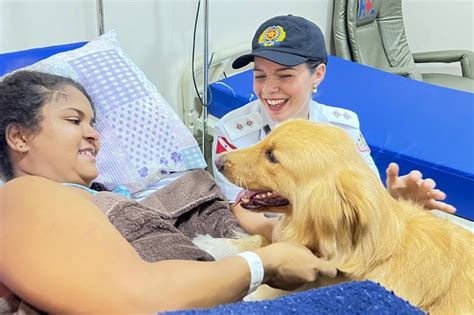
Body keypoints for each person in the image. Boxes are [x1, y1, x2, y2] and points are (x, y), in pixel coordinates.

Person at [0, 71, 337, 313]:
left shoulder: (100, 201)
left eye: (93, 124)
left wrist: (272, 230)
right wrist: (265, 263)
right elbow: (135, 299)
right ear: (19, 137)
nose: (93, 135)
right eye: (75, 121)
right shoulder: (23, 195)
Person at [212, 15, 456, 239]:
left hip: (335, 238)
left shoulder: (342, 130)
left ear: (317, 75)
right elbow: (240, 206)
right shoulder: (233, 131)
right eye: (260, 76)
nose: (268, 89)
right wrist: (285, 236)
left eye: (285, 76)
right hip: (273, 238)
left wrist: (394, 200)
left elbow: (363, 197)